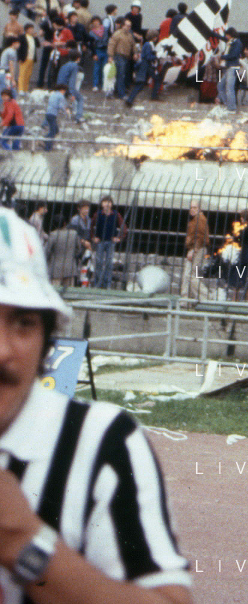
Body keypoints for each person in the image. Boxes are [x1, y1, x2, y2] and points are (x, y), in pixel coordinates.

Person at [0, 210, 193, 604]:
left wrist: (25, 543)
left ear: (47, 338)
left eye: (23, 322)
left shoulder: (98, 441)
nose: (2, 351)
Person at [91, 195, 123, 290]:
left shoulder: (116, 214)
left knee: (109, 263)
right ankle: (98, 283)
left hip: (110, 241)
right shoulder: (97, 214)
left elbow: (123, 226)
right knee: (99, 262)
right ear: (101, 204)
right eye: (105, 202)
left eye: (109, 202)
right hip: (100, 241)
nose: (107, 204)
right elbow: (91, 226)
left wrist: (119, 238)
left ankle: (107, 284)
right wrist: (93, 237)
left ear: (111, 204)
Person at [180, 200, 209, 301]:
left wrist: (194, 250)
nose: (192, 209)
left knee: (192, 275)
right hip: (194, 248)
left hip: (197, 249)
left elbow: (200, 237)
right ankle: (185, 299)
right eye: (191, 207)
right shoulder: (195, 219)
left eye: (195, 207)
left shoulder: (200, 219)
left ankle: (206, 297)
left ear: (199, 209)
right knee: (187, 274)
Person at [41, 83, 69, 151]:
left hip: (48, 113)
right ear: (62, 90)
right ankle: (47, 147)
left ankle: (45, 139)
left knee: (56, 130)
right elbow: (61, 106)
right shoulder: (60, 96)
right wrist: (66, 110)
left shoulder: (53, 94)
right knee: (53, 131)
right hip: (52, 114)